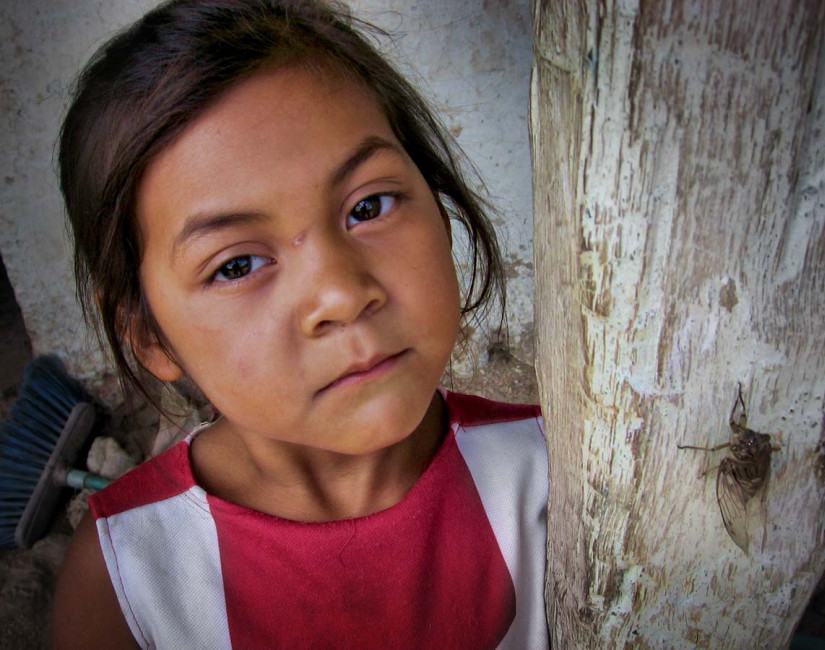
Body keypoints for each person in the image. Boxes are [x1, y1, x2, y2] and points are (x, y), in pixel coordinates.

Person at [50, 1, 548, 648]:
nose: (341, 294)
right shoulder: (128, 579)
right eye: (236, 266)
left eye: (369, 206)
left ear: (437, 204)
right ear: (149, 336)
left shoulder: (551, 475)